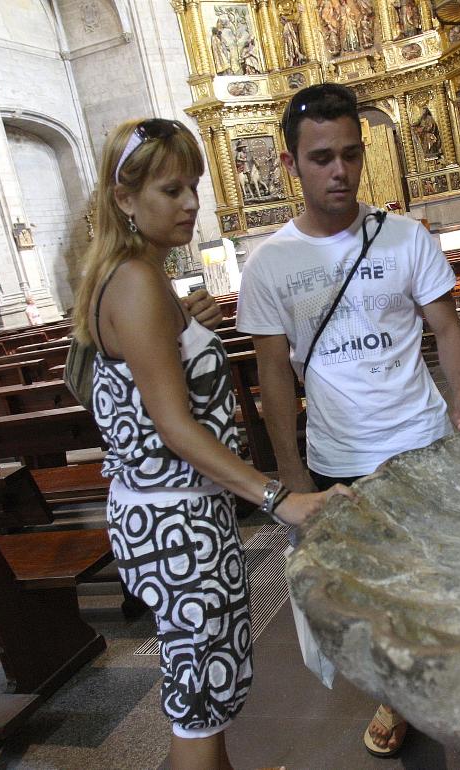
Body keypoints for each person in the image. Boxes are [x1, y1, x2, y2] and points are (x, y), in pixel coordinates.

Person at [236, 83, 460, 769]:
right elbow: (273, 378)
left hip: (422, 439)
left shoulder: (405, 237)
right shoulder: (270, 265)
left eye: (351, 155)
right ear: (289, 164)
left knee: (446, 578)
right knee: (375, 592)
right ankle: (398, 695)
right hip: (340, 455)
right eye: (322, 157)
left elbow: (446, 329)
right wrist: (293, 480)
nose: (340, 171)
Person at [70, 116, 352, 770]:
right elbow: (173, 425)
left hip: (162, 516)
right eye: (171, 189)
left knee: (199, 693)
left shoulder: (129, 275)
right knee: (199, 700)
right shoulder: (137, 281)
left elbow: (132, 377)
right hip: (180, 525)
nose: (192, 202)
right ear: (125, 199)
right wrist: (278, 497)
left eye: (193, 185)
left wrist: (185, 326)